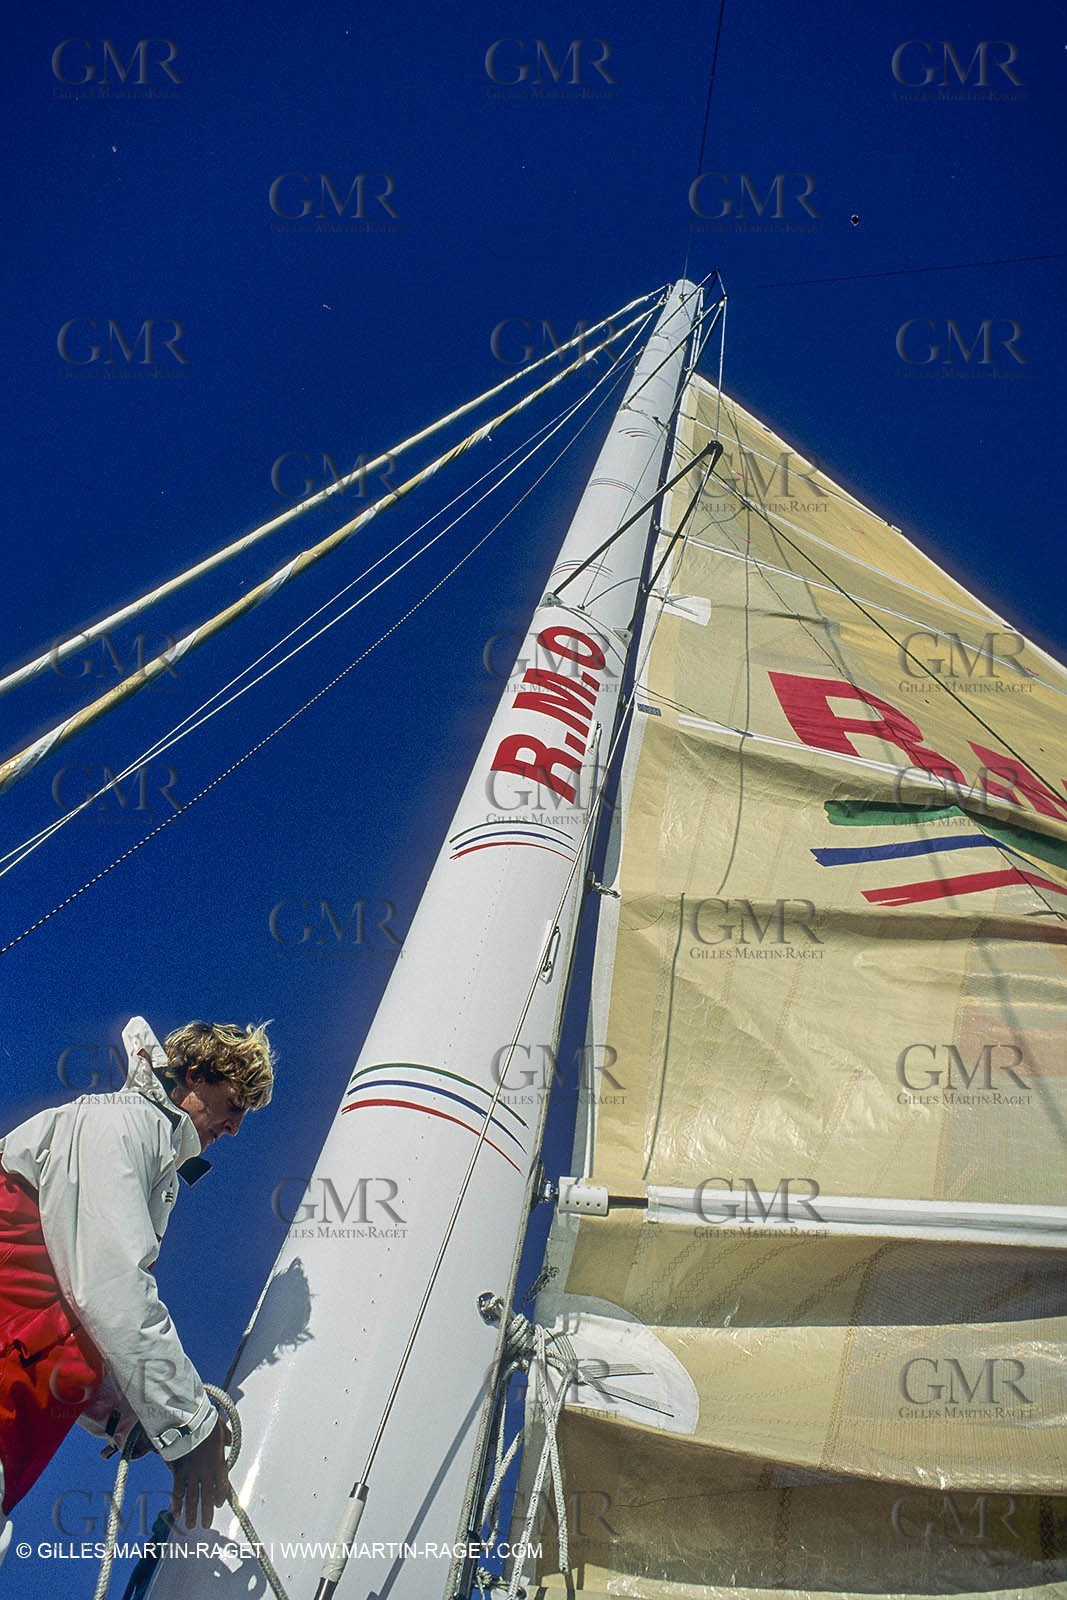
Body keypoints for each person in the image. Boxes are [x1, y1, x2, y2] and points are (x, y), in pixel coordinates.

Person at [0, 1014, 274, 1561]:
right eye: (235, 1103)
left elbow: (77, 1303)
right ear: (195, 1075)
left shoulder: (148, 1156)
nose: (236, 1128)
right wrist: (188, 1424)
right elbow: (110, 1286)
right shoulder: (122, 1123)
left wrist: (122, 1410)